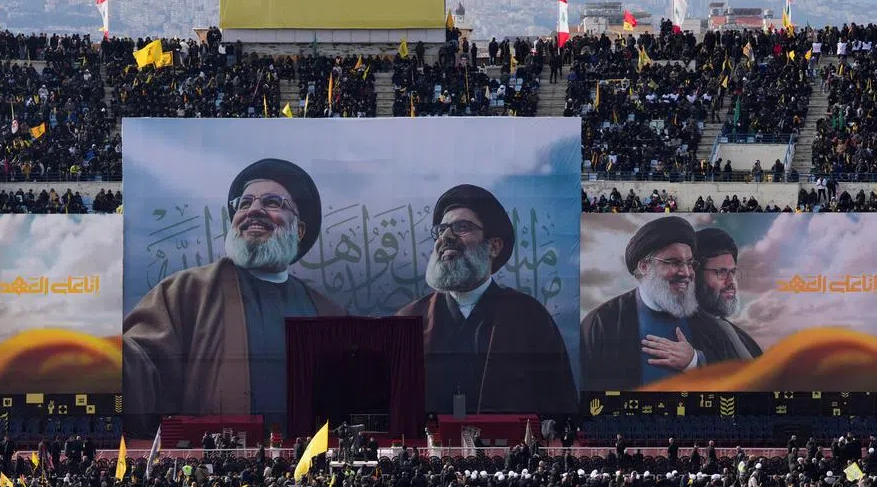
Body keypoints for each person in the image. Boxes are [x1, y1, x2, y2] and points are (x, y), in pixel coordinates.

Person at [122, 158, 344, 434]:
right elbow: (141, 363)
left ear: (299, 230)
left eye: (272, 202)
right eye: (245, 203)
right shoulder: (186, 292)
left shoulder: (325, 311)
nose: (254, 211)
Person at [395, 184, 577, 414]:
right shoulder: (408, 320)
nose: (446, 237)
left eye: (461, 227)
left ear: (493, 246)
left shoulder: (530, 318)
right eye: (441, 230)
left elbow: (559, 404)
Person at [580, 216, 757, 391]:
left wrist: (694, 361)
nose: (686, 272)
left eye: (689, 263)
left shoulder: (711, 326)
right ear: (644, 266)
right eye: (674, 262)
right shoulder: (601, 323)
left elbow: (737, 381)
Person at [694, 227, 762, 359]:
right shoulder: (685, 333)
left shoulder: (743, 338)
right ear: (696, 275)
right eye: (721, 272)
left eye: (733, 272)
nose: (731, 281)